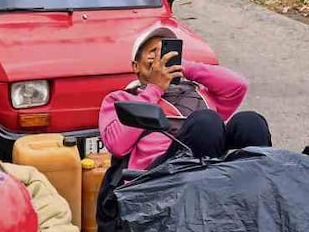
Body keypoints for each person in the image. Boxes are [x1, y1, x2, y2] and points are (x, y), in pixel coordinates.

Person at [98, 26, 271, 171]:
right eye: (153, 52)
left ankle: (262, 191)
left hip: (214, 165)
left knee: (250, 122)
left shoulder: (196, 92)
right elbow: (117, 145)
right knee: (205, 123)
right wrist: (155, 88)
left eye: (164, 52)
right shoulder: (122, 98)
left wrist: (184, 66)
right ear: (136, 65)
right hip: (159, 174)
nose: (159, 58)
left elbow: (238, 85)